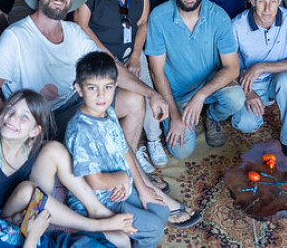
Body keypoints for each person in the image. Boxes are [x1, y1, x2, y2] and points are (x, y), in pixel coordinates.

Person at [0, 0, 167, 146]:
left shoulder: (74, 32)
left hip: (73, 106)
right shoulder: (15, 36)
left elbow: (110, 66)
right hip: (36, 118)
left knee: (134, 100)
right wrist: (12, 128)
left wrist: (152, 94)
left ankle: (125, 169)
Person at [66, 53, 202, 248]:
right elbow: (95, 182)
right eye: (92, 88)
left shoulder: (108, 113)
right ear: (79, 89)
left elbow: (125, 150)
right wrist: (123, 178)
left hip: (119, 188)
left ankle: (133, 232)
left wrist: (143, 188)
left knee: (162, 211)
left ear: (115, 86)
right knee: (154, 227)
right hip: (100, 199)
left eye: (107, 87)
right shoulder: (82, 130)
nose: (101, 95)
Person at [0, 90, 134, 247]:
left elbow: (56, 156)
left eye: (24, 116)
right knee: (27, 190)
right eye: (9, 110)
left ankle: (97, 210)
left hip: (28, 206)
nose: (13, 118)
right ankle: (94, 225)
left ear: (34, 132)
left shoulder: (27, 144)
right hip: (1, 220)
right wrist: (13, 220)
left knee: (54, 150)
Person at [73, 0, 167, 174]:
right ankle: (133, 152)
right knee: (138, 93)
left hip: (130, 53)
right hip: (100, 56)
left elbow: (143, 22)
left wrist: (136, 55)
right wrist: (108, 57)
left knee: (146, 81)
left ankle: (153, 141)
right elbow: (81, 25)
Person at [145, 0, 244, 159]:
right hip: (177, 94)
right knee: (181, 151)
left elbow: (232, 68)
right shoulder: (158, 16)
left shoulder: (218, 16)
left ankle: (212, 116)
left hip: (208, 86)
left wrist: (201, 96)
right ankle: (187, 112)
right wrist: (174, 114)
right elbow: (157, 72)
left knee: (236, 98)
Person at [230, 0, 287, 157]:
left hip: (280, 77)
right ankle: (260, 102)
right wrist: (247, 93)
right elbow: (228, 68)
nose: (267, 9)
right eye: (261, 1)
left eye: (272, 2)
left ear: (280, 1)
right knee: (245, 124)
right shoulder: (237, 25)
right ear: (251, 1)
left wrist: (262, 67)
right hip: (249, 82)